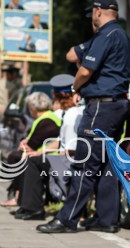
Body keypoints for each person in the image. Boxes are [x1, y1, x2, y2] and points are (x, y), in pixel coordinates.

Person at [37, 0, 130, 234]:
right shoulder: (118, 34)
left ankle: (67, 219)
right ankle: (107, 219)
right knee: (105, 166)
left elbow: (86, 69)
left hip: (101, 106)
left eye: (93, 14)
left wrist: (75, 87)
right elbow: (73, 55)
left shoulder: (106, 35)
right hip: (116, 105)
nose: (92, 18)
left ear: (99, 12)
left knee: (84, 163)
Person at [14, 74, 83, 220]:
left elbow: (71, 149)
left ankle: (33, 209)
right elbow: (60, 140)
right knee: (34, 158)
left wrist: (50, 157)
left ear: (58, 95)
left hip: (71, 161)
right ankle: (28, 206)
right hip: (66, 157)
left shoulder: (71, 116)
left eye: (54, 94)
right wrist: (42, 152)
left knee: (33, 163)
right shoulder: (67, 113)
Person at [2, 91, 61, 208]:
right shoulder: (47, 117)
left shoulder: (46, 120)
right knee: (17, 156)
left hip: (50, 156)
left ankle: (18, 196)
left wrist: (25, 144)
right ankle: (18, 195)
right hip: (46, 154)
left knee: (16, 157)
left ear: (32, 107)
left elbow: (31, 145)